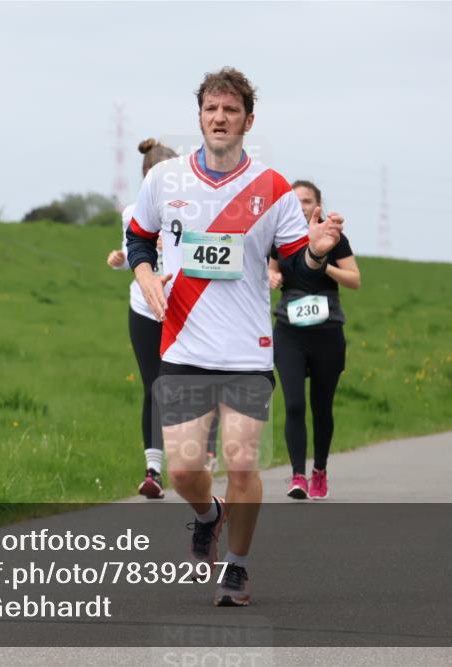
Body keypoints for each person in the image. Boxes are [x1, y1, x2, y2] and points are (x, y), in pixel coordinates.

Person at [126, 67, 343, 606]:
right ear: (199, 116)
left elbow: (296, 263)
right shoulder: (164, 180)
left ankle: (238, 569)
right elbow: (138, 238)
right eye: (210, 110)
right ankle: (209, 514)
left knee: (242, 463)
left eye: (230, 110)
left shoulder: (272, 188)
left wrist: (315, 249)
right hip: (182, 345)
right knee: (182, 469)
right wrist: (145, 274)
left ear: (249, 118)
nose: (219, 118)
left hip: (247, 350)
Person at [267, 180, 360, 500]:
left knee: (322, 407)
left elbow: (355, 279)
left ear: (318, 204)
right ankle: (297, 476)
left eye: (307, 201)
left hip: (327, 331)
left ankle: (319, 469)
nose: (302, 206)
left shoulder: (334, 238)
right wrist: (273, 276)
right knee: (293, 404)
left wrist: (322, 263)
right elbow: (270, 271)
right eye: (295, 201)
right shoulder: (279, 238)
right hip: (289, 331)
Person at [107, 139, 179, 499]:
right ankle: (153, 471)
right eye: (151, 179)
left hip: (183, 308)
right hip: (144, 308)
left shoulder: (190, 209)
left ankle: (200, 455)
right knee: (154, 386)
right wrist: (123, 260)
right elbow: (136, 257)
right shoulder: (131, 212)